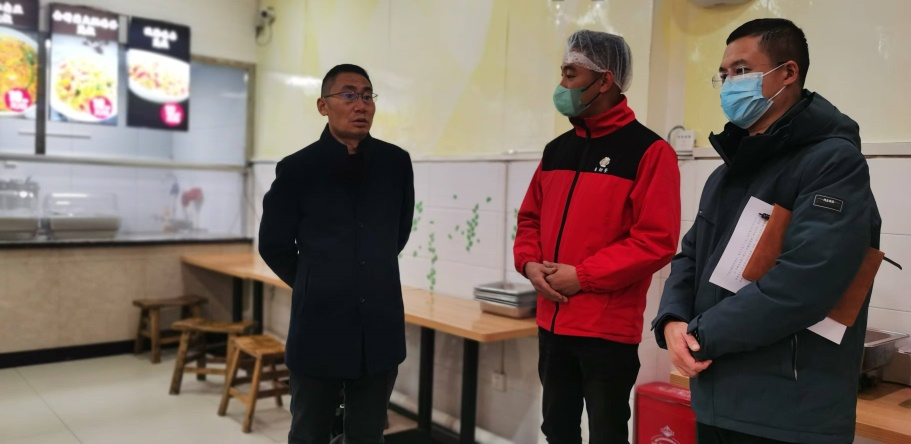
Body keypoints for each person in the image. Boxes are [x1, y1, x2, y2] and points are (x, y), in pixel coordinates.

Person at [653, 18, 881, 444]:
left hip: (788, 412)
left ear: (788, 72)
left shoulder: (832, 164)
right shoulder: (727, 174)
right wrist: (672, 320)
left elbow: (805, 282)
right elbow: (690, 256)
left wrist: (700, 334)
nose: (729, 83)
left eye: (741, 70)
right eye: (723, 74)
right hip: (716, 395)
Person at [514, 30, 681, 443]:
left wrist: (583, 276)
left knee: (607, 433)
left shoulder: (649, 151)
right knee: (556, 429)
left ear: (605, 80)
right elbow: (529, 218)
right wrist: (529, 263)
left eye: (571, 74)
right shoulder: (556, 150)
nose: (562, 84)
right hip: (552, 323)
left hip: (606, 330)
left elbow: (655, 240)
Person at [259, 64, 414, 444]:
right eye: (348, 95)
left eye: (367, 95)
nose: (360, 104)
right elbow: (274, 244)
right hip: (319, 325)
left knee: (368, 434)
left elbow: (398, 234)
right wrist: (315, 280)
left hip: (379, 325)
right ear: (322, 106)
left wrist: (365, 273)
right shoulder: (297, 168)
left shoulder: (395, 163)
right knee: (309, 432)